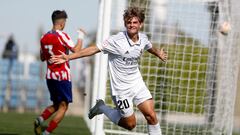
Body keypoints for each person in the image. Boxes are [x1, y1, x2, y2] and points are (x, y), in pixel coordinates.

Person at [51, 7, 167, 135]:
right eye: (129, 22)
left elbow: (149, 46)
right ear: (125, 24)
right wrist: (68, 57)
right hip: (121, 89)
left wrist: (158, 54)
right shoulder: (116, 40)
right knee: (130, 124)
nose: (131, 25)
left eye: (135, 22)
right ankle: (102, 107)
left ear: (141, 24)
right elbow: (93, 49)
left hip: (137, 84)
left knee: (151, 116)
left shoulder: (143, 38)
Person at [34, 10, 85, 135]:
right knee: (64, 107)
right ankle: (47, 133)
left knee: (57, 104)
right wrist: (81, 36)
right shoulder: (62, 35)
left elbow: (42, 58)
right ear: (62, 23)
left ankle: (40, 119)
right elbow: (77, 50)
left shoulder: (43, 37)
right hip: (62, 76)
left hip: (50, 76)